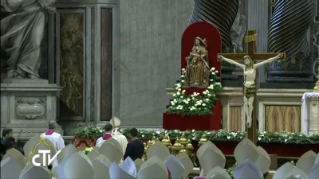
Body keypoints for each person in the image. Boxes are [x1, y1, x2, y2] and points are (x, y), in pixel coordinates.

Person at [218, 53, 283, 127]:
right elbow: (233, 62)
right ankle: (247, 118)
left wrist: (276, 57)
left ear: (250, 60)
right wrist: (223, 58)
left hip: (252, 86)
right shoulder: (243, 67)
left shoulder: (254, 67)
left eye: (247, 60)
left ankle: (250, 118)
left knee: (250, 104)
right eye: (244, 60)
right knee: (245, 103)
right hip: (245, 86)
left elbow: (266, 61)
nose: (246, 61)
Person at [1, 0, 56, 79]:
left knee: (36, 42)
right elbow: (9, 3)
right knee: (17, 45)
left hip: (37, 13)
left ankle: (29, 70)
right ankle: (17, 71)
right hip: (20, 15)